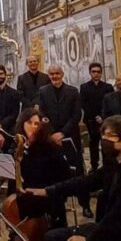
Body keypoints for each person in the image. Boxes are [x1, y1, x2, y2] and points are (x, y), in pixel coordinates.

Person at [35, 65, 88, 216]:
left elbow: (76, 115)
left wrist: (62, 133)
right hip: (51, 138)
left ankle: (85, 204)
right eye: (51, 74)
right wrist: (51, 133)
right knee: (53, 170)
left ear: (62, 74)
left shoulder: (73, 91)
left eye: (57, 73)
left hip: (70, 136)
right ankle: (56, 203)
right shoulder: (43, 91)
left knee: (78, 171)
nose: (54, 76)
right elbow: (42, 114)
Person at [13, 108, 70, 228]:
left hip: (47, 199)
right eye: (29, 123)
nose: (33, 127)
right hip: (26, 198)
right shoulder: (20, 147)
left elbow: (63, 177)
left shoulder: (51, 147)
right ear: (22, 124)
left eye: (36, 124)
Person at [79, 62, 113, 171]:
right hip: (91, 120)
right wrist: (94, 117)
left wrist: (102, 116)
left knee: (106, 143)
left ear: (101, 73)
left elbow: (110, 103)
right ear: (90, 73)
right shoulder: (84, 87)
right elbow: (84, 104)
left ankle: (107, 166)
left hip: (106, 120)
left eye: (98, 72)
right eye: (94, 72)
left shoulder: (108, 87)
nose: (96, 74)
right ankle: (94, 166)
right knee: (93, 143)